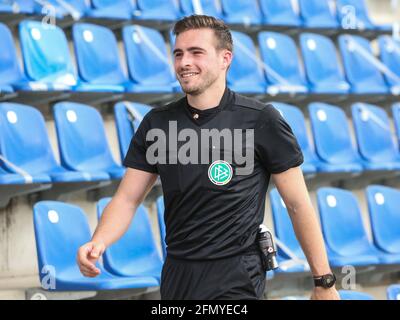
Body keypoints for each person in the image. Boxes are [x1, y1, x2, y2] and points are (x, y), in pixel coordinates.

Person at [77, 15, 340, 300]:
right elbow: (127, 199)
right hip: (178, 273)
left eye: (196, 52)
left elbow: (297, 204)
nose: (184, 62)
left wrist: (323, 281)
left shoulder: (261, 120)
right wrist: (99, 241)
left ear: (225, 58)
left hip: (237, 276)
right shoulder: (158, 123)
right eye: (178, 54)